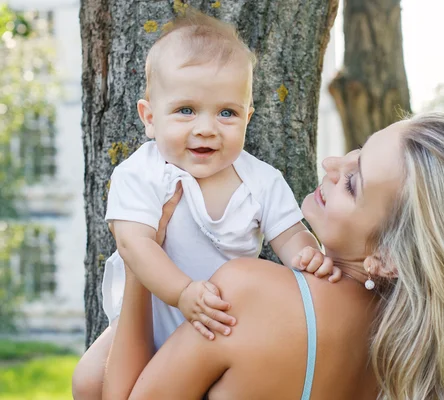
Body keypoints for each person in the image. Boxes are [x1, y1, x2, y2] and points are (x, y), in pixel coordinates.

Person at [103, 113, 444, 399]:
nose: (332, 164)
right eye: (358, 150)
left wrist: (145, 257)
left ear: (388, 256)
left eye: (353, 183)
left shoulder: (249, 294)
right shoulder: (409, 357)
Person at [72, 11, 339, 399]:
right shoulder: (142, 172)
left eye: (226, 113)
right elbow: (134, 244)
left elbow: (291, 234)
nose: (206, 128)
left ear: (248, 117)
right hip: (153, 314)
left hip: (217, 324)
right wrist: (181, 293)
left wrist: (306, 254)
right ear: (149, 118)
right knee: (87, 382)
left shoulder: (261, 181)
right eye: (186, 110)